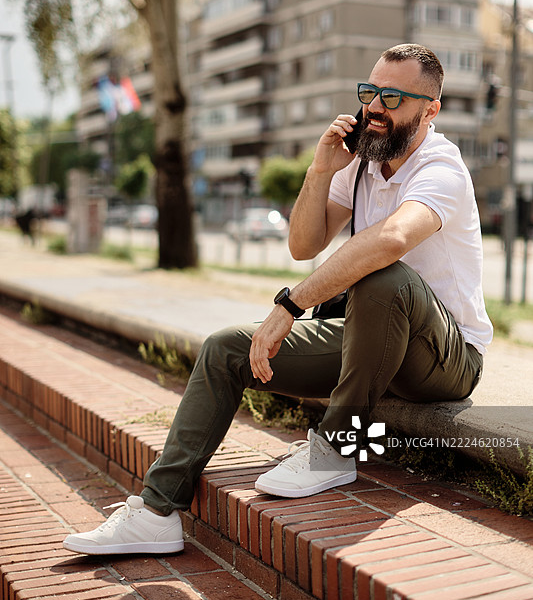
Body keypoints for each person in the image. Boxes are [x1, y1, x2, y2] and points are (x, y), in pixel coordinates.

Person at [64, 44, 492, 556]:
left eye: (394, 97)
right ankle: (156, 512)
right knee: (226, 348)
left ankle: (335, 450)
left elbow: (391, 242)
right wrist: (320, 170)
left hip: (444, 359)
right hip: (372, 341)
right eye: (369, 92)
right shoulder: (360, 165)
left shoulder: (442, 166)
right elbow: (302, 245)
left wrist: (290, 307)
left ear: (429, 110)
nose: (375, 107)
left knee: (385, 278)